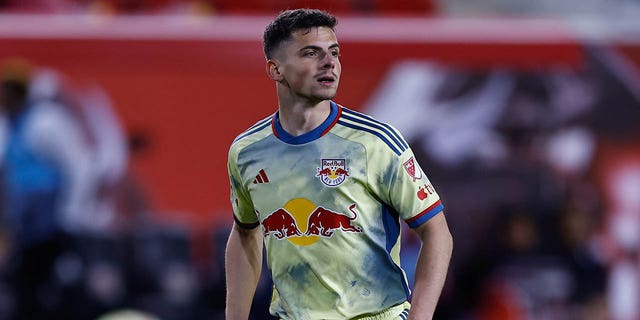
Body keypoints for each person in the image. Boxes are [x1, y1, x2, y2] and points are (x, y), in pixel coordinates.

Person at [225, 9, 453, 320]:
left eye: (334, 52)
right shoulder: (247, 151)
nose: (329, 62)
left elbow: (436, 230)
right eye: (311, 53)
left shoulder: (374, 142)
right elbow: (244, 233)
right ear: (275, 69)